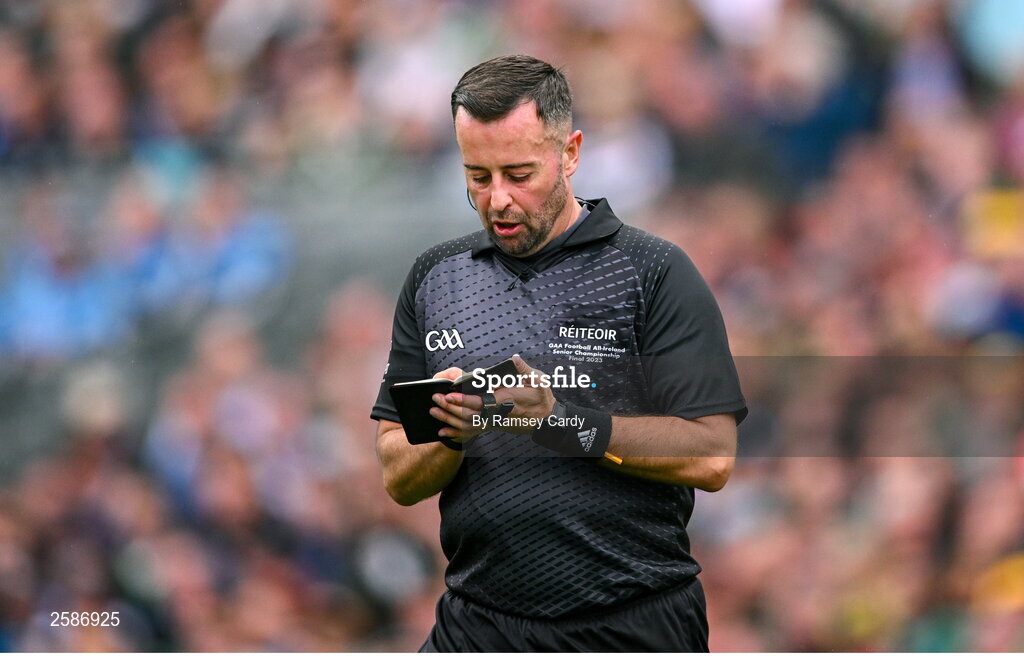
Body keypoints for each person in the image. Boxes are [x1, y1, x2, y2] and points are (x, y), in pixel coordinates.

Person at [370, 54, 746, 652]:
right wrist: (449, 434)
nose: (498, 200)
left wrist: (562, 424)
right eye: (478, 176)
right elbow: (398, 474)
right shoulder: (434, 278)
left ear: (570, 152)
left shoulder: (654, 272)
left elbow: (711, 456)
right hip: (480, 624)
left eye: (519, 174)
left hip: (631, 622)